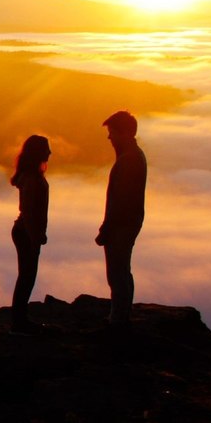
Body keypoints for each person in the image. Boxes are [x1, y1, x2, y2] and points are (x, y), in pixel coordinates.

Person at [96, 110, 147, 329]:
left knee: (117, 272)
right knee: (122, 270)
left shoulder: (129, 160)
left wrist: (106, 228)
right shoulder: (134, 156)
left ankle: (118, 320)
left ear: (124, 133)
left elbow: (120, 200)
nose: (109, 138)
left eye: (112, 133)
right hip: (128, 222)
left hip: (122, 225)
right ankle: (121, 316)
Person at [10, 134, 50, 334]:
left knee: (26, 276)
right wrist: (36, 237)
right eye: (46, 149)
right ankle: (19, 322)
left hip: (24, 231)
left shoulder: (29, 176)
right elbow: (30, 213)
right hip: (26, 232)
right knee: (27, 276)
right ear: (38, 153)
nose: (50, 152)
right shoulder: (33, 180)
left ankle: (19, 319)